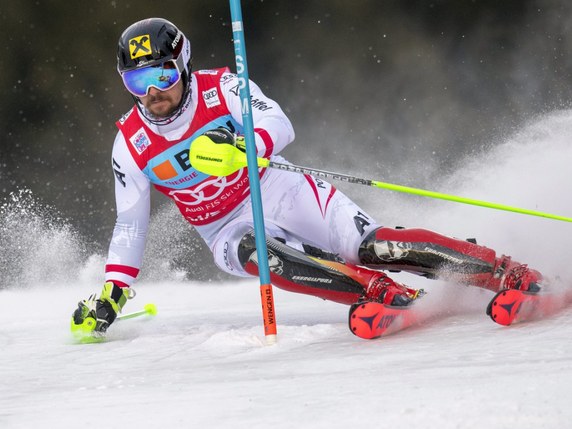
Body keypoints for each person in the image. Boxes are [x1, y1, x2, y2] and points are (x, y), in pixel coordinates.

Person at [71, 18, 543, 340]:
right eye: (137, 82)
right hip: (223, 229)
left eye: (161, 74)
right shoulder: (129, 142)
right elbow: (130, 223)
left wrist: (248, 145)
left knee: (372, 246)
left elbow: (279, 122)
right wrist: (114, 291)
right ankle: (377, 293)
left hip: (277, 189)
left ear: (184, 65)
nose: (152, 93)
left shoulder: (222, 89)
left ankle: (507, 273)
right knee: (261, 255)